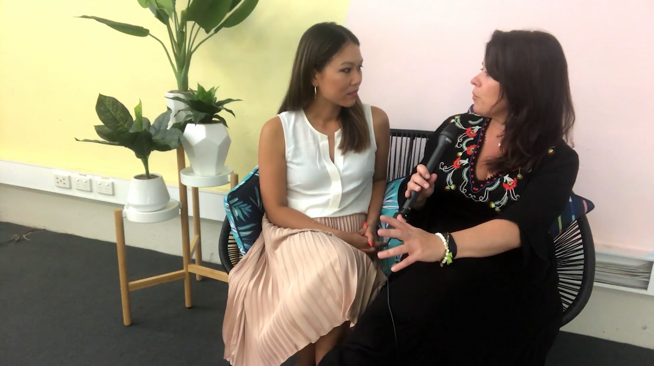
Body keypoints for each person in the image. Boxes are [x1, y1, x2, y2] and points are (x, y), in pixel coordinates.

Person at [318, 29, 579, 366]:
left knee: (438, 311)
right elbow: (422, 215)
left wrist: (442, 246)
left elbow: (518, 229)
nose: (475, 79)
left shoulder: (557, 159)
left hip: (505, 271)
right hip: (433, 257)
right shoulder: (456, 129)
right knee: (386, 325)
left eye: (488, 73)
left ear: (522, 83)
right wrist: (423, 197)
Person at [222, 22, 390, 366]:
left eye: (360, 68)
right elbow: (277, 208)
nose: (357, 78)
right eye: (346, 70)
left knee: (338, 269)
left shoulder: (375, 121)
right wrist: (340, 237)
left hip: (359, 231)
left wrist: (371, 224)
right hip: (296, 231)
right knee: (337, 264)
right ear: (314, 75)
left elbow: (379, 180)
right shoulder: (278, 130)